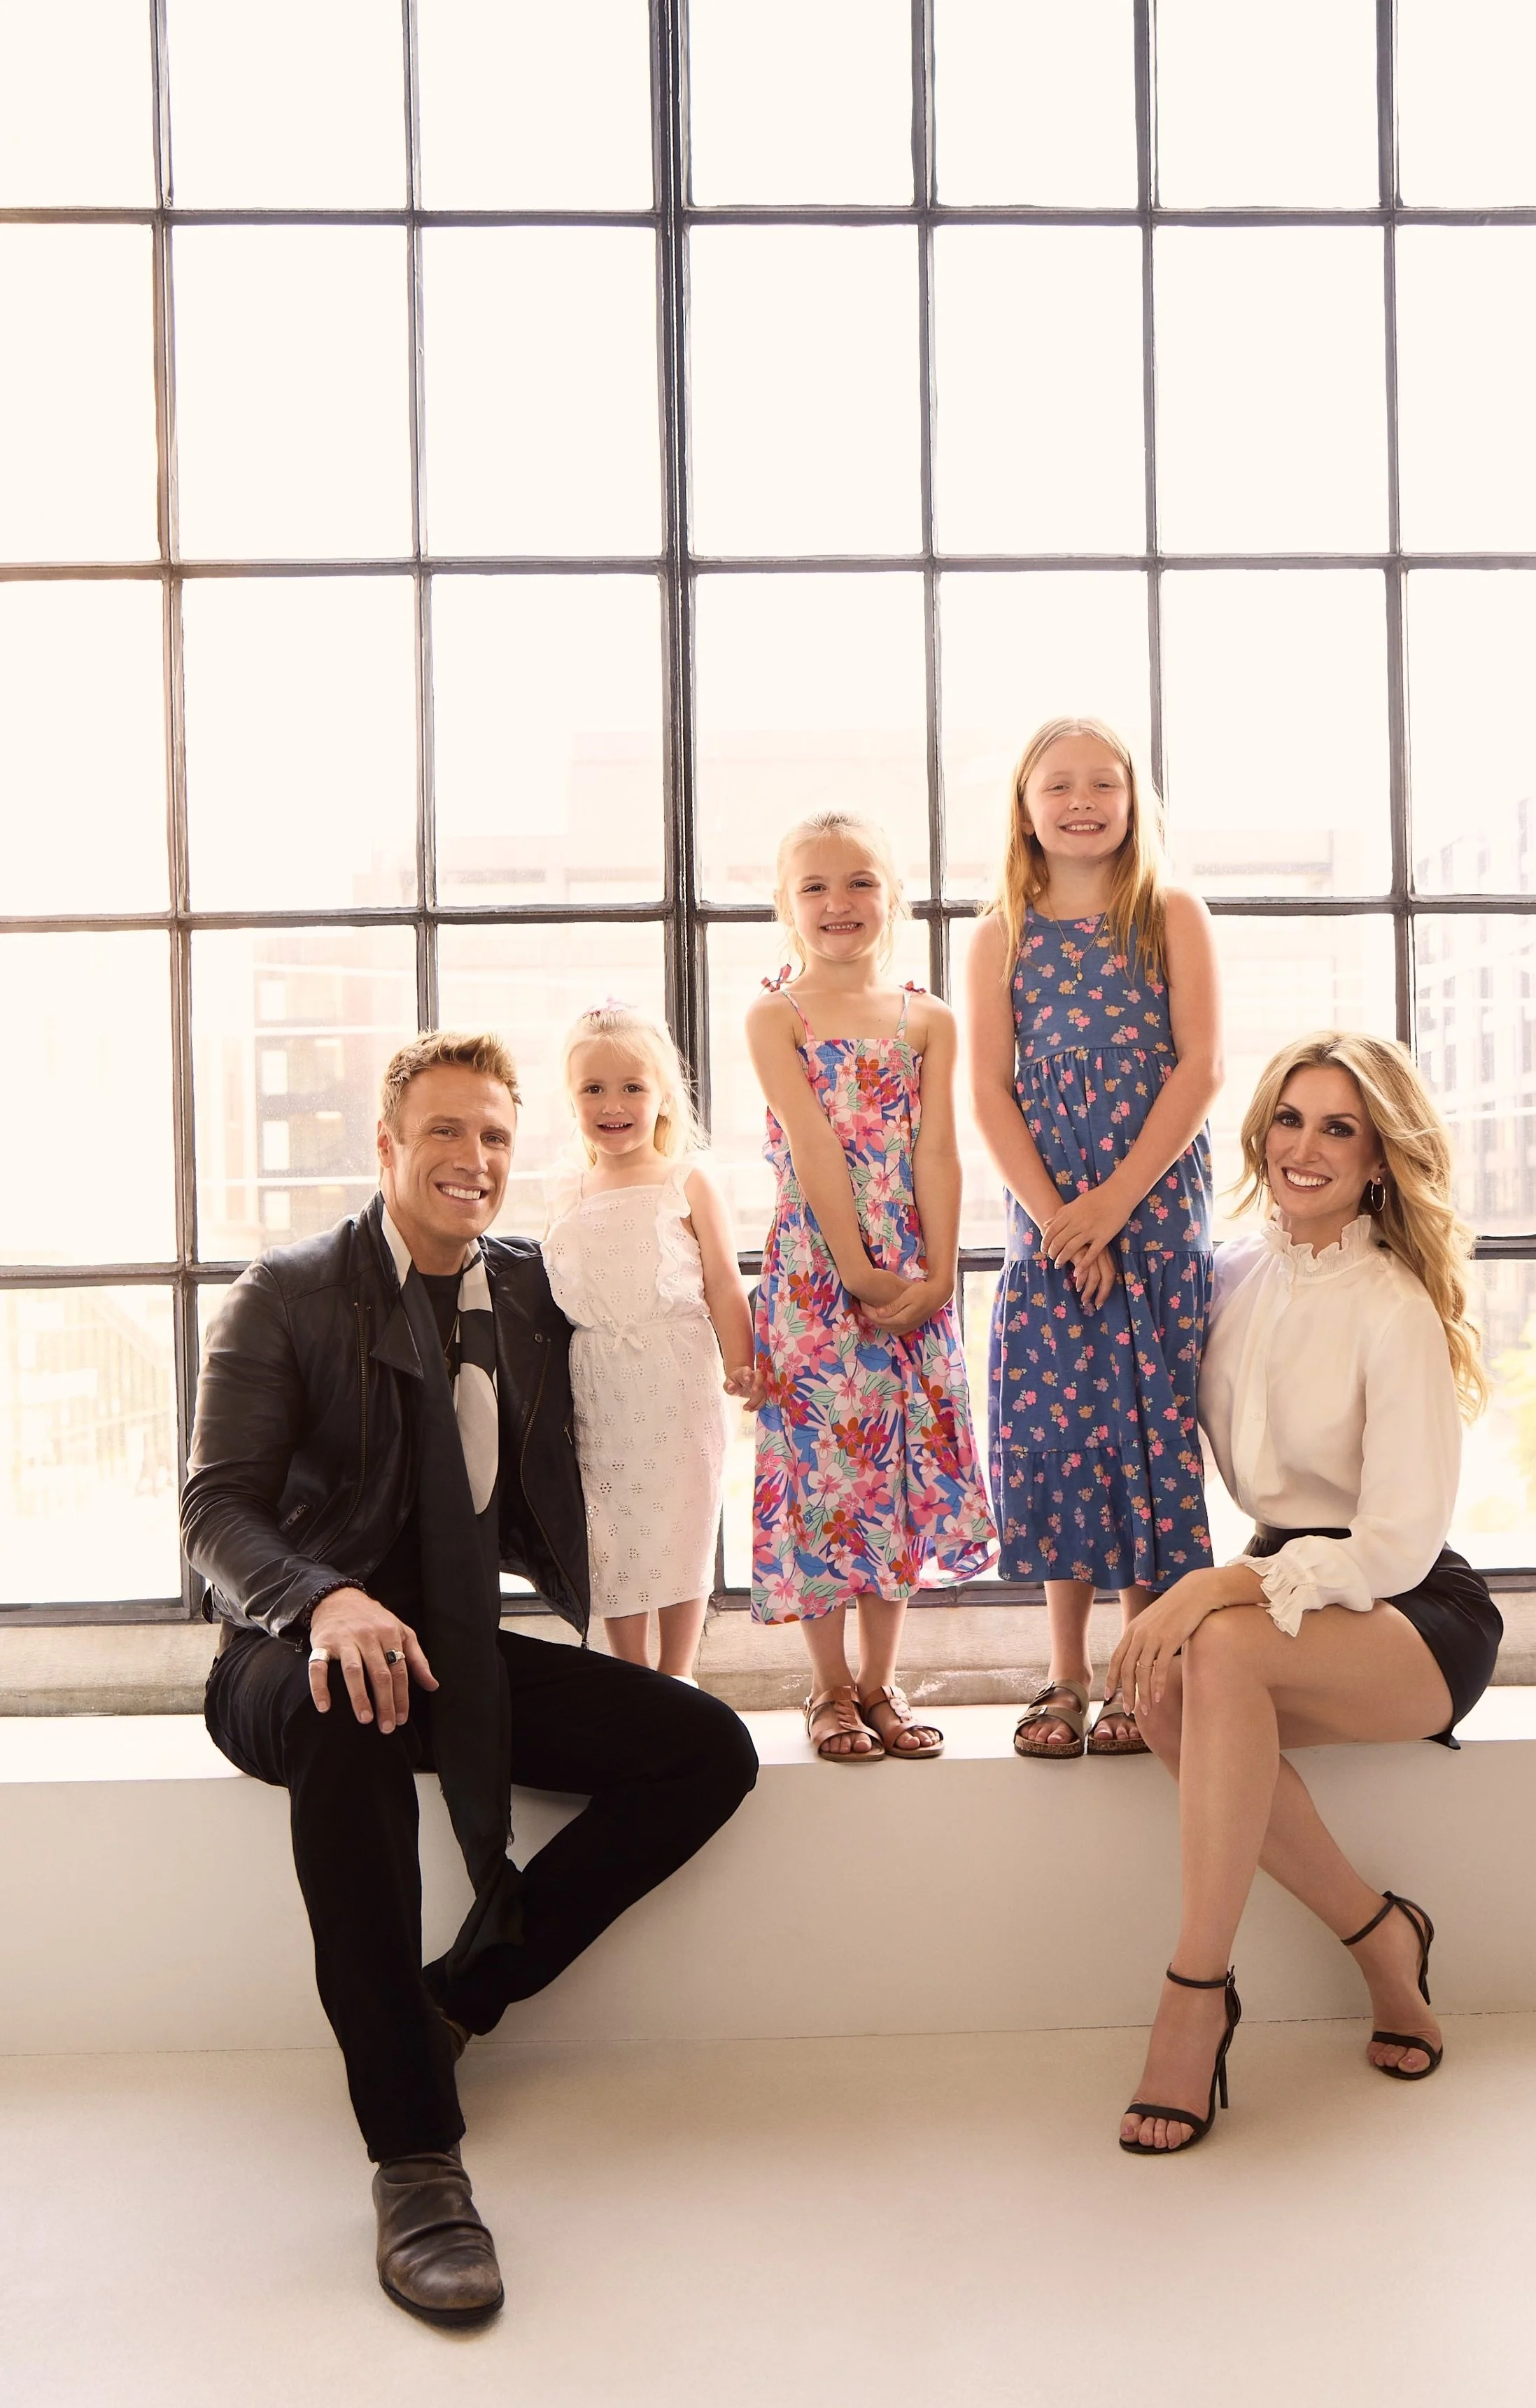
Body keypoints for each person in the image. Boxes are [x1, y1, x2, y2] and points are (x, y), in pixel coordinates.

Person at [183, 1031, 757, 2322]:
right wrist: (325, 1600)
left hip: (444, 1642)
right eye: (445, 1131)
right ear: (387, 1147)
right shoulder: (287, 1292)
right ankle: (415, 2156)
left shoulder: (522, 1291)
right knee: (348, 1718)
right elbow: (216, 1509)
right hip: (288, 1649)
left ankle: (455, 1996)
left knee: (705, 1751)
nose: (474, 1158)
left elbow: (643, 1360)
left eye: (495, 1136)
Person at [1105, 1032, 1502, 2154]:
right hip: (1275, 1596)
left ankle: (1195, 1994)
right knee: (1177, 1692)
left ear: (1380, 1157)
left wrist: (1217, 1588)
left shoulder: (1395, 1306)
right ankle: (1381, 1937)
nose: (1307, 1146)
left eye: (1339, 1126)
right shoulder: (1226, 1274)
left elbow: (1397, 1541)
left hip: (1412, 1609)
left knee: (1214, 1654)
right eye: (1290, 1118)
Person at [963, 717, 1223, 1758]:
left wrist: (1115, 1205)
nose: (1081, 801)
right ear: (1025, 806)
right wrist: (1062, 1221)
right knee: (1062, 1434)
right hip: (1048, 1214)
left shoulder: (1168, 913)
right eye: (1057, 784)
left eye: (1102, 783)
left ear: (1133, 797)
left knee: (1146, 1431)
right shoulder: (1001, 933)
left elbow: (1198, 1069)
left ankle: (1139, 1673)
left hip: (1152, 1208)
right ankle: (1064, 1674)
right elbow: (987, 1091)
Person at [745, 811, 997, 1760]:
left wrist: (936, 1275)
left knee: (890, 1474)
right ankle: (828, 1688)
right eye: (814, 887)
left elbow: (937, 1148)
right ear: (786, 906)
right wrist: (854, 1266)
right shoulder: (778, 1016)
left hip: (913, 1275)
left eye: (859, 882)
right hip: (817, 1276)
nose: (838, 903)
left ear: (891, 897)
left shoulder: (927, 1017)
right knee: (823, 1475)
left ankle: (884, 1683)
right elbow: (812, 1142)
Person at [543, 1002, 754, 1681]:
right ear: (571, 1097)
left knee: (683, 1521)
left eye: (632, 1086)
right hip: (599, 1382)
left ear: (662, 1093)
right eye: (593, 1088)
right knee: (613, 1529)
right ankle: (631, 1675)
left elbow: (724, 1280)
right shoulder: (564, 1188)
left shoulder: (686, 1179)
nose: (614, 1103)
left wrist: (742, 1359)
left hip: (679, 1375)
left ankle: (679, 1672)